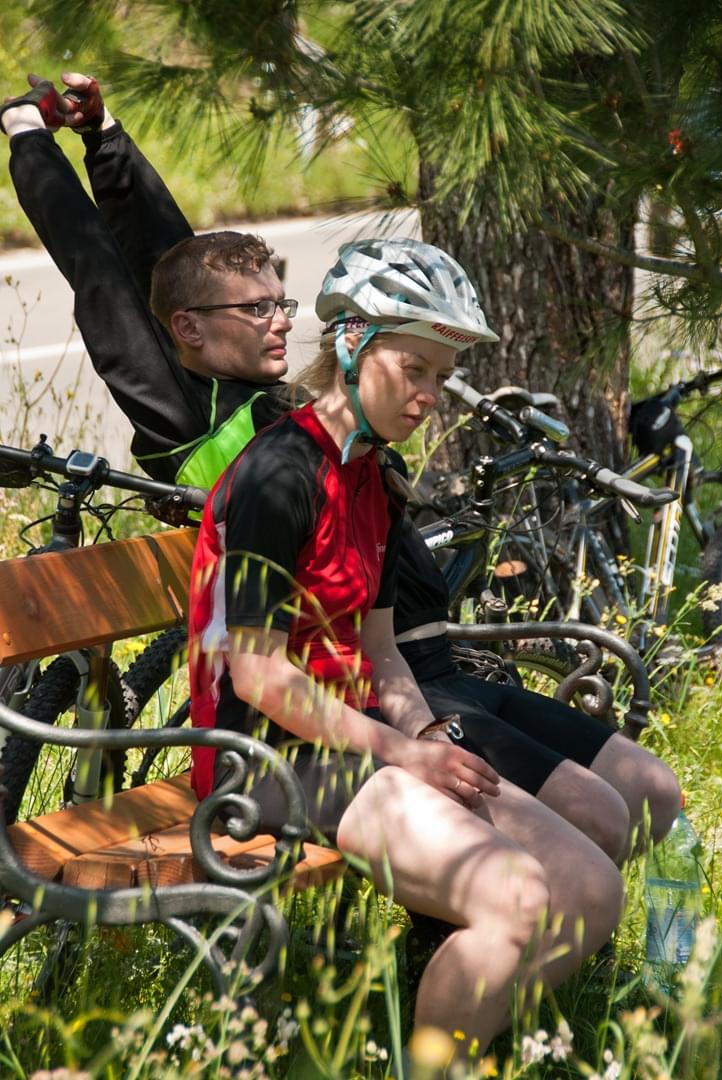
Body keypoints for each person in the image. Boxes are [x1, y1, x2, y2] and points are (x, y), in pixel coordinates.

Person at [1, 74, 680, 865]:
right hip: (371, 693)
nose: (279, 321)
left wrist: (106, 138)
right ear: (188, 331)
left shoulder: (284, 395)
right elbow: (102, 280)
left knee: (644, 795)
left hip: (418, 666)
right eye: (256, 310)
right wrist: (28, 136)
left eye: (278, 303)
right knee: (588, 826)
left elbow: (180, 257)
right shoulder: (186, 415)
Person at [186, 235, 624, 1054]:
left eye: (441, 376)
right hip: (265, 759)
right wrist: (402, 752)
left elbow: (380, 648)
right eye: (413, 368)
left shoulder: (371, 472)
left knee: (589, 887)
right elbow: (257, 674)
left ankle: (470, 1042)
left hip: (357, 744)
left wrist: (429, 737)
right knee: (518, 899)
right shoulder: (279, 476)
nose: (429, 396)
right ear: (352, 345)